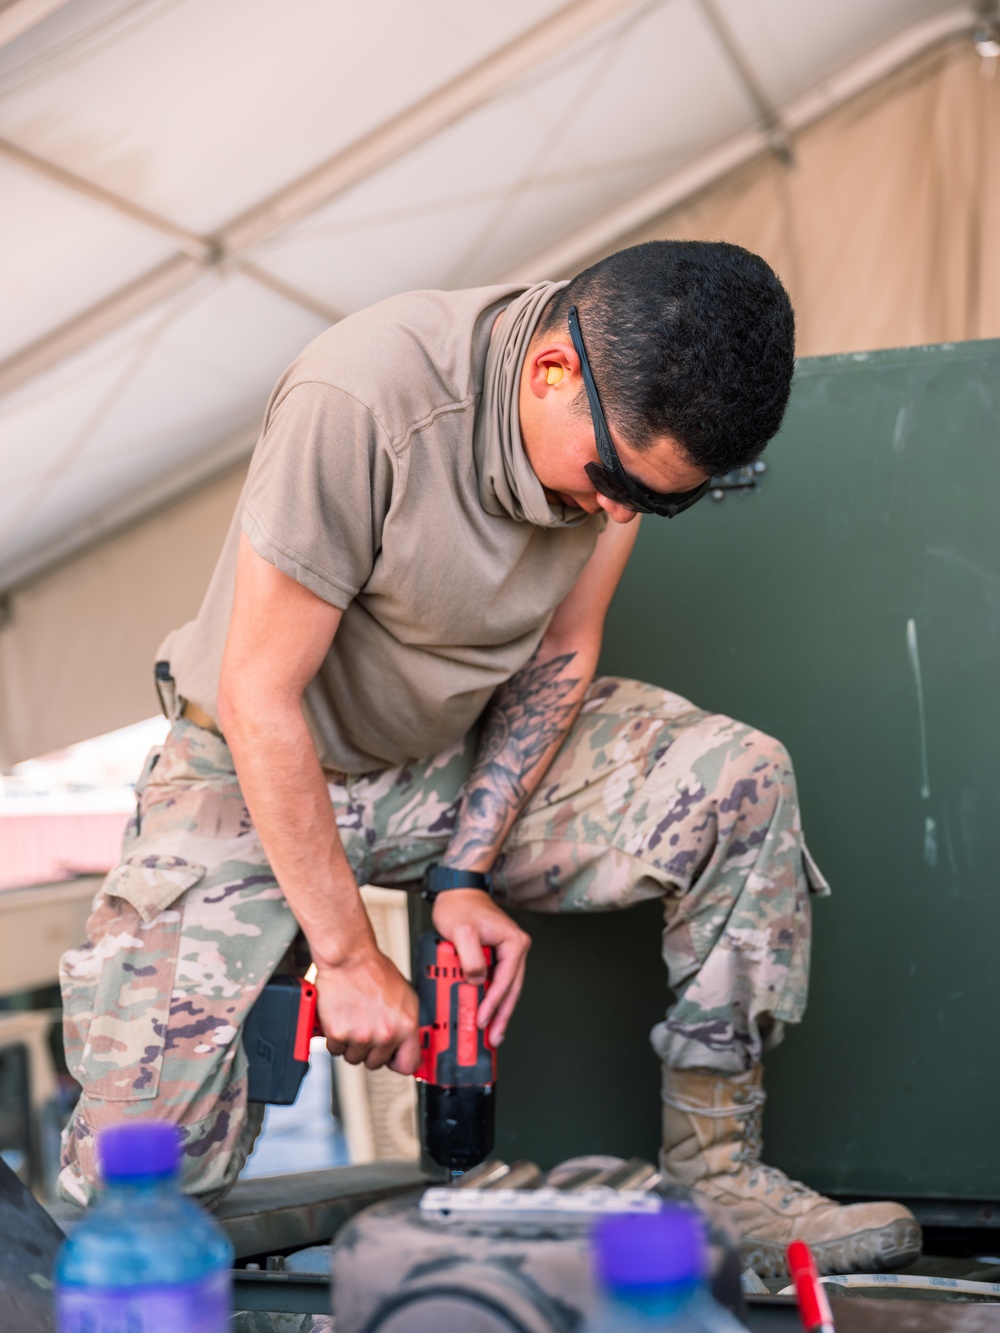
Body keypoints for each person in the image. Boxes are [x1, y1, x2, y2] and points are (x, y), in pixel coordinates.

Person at [58, 240, 919, 1276]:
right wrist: (343, 953)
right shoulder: (366, 394)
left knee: (737, 777)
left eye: (658, 502)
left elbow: (561, 650)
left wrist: (466, 868)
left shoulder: (617, 448)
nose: (615, 513)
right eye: (612, 481)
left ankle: (719, 1174)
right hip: (248, 764)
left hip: (442, 754)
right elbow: (259, 694)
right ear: (552, 370)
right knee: (126, 1195)